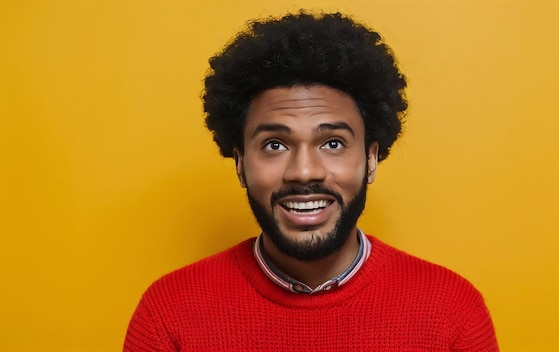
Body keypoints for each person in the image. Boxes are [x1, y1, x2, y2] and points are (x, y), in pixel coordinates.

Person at [124, 11, 498, 351]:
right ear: (240, 163)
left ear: (370, 158)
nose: (304, 172)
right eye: (275, 144)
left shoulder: (453, 312)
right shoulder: (167, 314)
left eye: (333, 143)